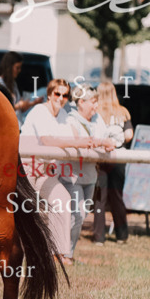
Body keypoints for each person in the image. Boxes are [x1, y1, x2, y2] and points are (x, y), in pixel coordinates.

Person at [20, 79, 110, 265]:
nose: (60, 98)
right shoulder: (38, 111)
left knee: (62, 201)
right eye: (57, 94)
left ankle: (59, 254)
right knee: (25, 213)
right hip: (26, 169)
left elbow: (75, 138)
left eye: (65, 95)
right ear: (49, 94)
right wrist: (80, 143)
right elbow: (48, 141)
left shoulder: (63, 115)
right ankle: (24, 253)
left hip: (45, 171)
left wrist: (99, 142)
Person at [67, 89, 115, 249]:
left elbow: (108, 141)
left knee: (82, 215)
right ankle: (63, 253)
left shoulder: (97, 119)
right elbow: (78, 143)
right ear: (81, 102)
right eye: (93, 102)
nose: (96, 106)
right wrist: (100, 142)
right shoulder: (70, 120)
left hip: (90, 176)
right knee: (77, 215)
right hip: (72, 176)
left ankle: (67, 254)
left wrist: (100, 142)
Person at [95, 81, 133, 244]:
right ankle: (122, 235)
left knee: (99, 197)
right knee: (117, 196)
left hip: (99, 157)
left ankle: (99, 236)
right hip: (119, 156)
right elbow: (129, 135)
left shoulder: (95, 112)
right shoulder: (122, 112)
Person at [0, 51, 43, 116]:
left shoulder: (13, 84)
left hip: (18, 124)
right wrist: (18, 105)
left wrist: (33, 103)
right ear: (9, 67)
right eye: (17, 67)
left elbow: (20, 110)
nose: (19, 70)